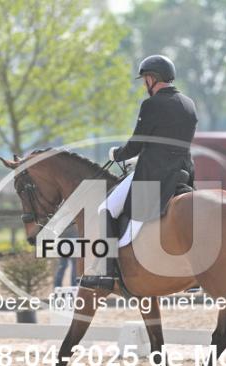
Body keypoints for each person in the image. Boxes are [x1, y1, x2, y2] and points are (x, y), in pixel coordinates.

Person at [80, 55, 198, 288]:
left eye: (145, 80)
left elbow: (136, 143)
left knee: (106, 208)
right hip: (184, 172)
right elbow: (168, 143)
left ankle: (106, 272)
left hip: (155, 174)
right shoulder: (189, 103)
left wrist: (117, 154)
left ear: (152, 78)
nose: (145, 84)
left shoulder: (151, 104)